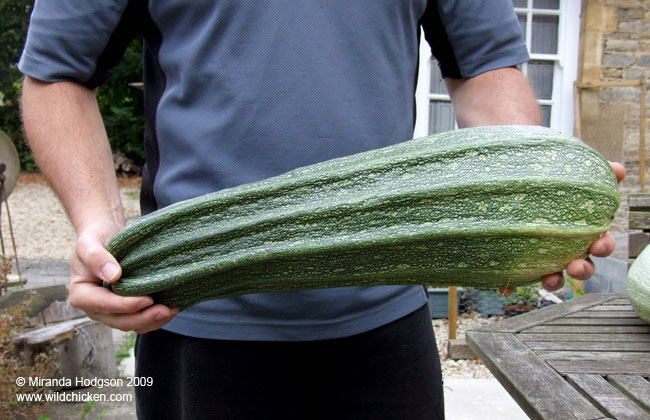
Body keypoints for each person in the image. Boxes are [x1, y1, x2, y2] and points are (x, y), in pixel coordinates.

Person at [19, 1, 624, 419]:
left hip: (386, 325)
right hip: (195, 313)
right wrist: (98, 223)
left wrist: (530, 195)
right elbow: (57, 72)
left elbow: (483, 65)